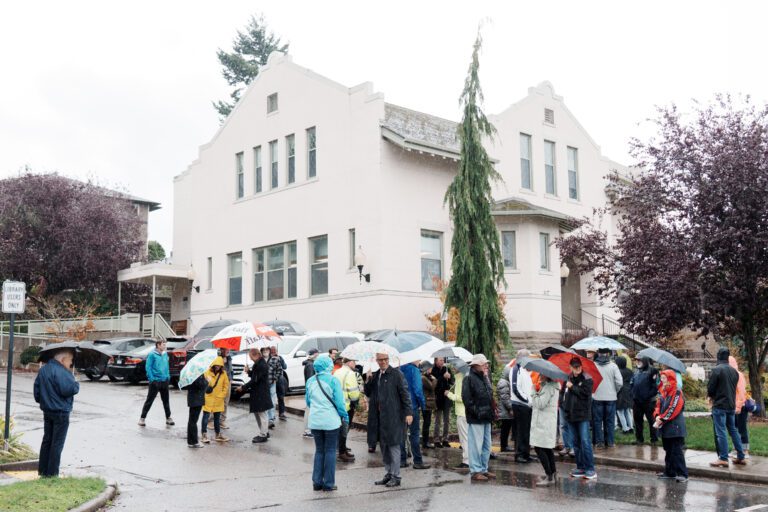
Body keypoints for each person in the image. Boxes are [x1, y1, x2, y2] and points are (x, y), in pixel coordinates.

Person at [364, 350, 413, 488]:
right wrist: (368, 380)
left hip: (394, 416)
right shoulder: (375, 375)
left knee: (394, 445)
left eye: (385, 359)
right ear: (377, 361)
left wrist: (408, 413)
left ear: (388, 359)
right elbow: (368, 393)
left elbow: (405, 394)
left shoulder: (397, 374)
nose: (383, 362)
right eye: (380, 359)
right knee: (384, 446)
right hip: (379, 417)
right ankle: (389, 473)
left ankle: (396, 476)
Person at [34, 348, 80, 477]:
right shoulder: (62, 372)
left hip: (47, 410)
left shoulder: (43, 369)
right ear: (63, 359)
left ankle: (43, 471)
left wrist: (45, 402)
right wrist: (76, 383)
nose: (71, 363)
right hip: (61, 412)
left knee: (47, 440)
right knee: (57, 443)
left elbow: (37, 393)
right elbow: (68, 390)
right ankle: (52, 474)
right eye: (70, 360)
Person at [306, 354, 348, 492]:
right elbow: (340, 403)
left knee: (319, 451)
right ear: (329, 366)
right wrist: (345, 416)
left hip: (315, 421)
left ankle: (316, 482)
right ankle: (329, 483)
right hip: (330, 421)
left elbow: (308, 402)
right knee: (330, 451)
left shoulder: (310, 381)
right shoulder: (333, 380)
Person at [707, 347, 745, 467]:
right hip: (730, 405)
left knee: (721, 431)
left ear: (718, 356)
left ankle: (723, 458)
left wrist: (712, 397)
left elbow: (710, 389)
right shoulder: (734, 371)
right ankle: (741, 456)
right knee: (733, 430)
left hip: (719, 405)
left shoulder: (717, 369)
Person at [463, 354, 495, 482]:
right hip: (476, 417)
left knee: (487, 445)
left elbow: (489, 395)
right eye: (483, 363)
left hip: (487, 416)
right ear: (476, 365)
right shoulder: (469, 378)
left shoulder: (484, 377)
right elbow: (467, 399)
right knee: (476, 445)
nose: (486, 365)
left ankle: (483, 469)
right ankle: (476, 470)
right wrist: (477, 412)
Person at [563, 357, 596, 480]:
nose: (578, 369)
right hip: (570, 415)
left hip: (582, 415)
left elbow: (585, 394)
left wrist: (572, 387)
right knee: (575, 443)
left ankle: (590, 468)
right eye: (575, 366)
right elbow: (564, 394)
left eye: (579, 366)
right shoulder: (568, 378)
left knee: (585, 441)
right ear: (570, 367)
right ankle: (580, 466)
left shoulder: (587, 378)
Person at [654, 370, 688, 482]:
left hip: (675, 426)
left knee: (676, 450)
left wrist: (662, 418)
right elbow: (658, 405)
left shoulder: (677, 392)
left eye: (664, 378)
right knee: (668, 450)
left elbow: (674, 408)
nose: (662, 380)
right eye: (662, 378)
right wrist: (657, 415)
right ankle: (670, 472)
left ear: (670, 379)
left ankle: (682, 473)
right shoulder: (663, 391)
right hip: (666, 426)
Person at [399, 361, 431, 470]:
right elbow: (418, 390)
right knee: (414, 434)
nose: (419, 361)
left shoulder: (398, 368)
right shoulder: (414, 370)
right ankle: (417, 461)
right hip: (412, 407)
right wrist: (423, 405)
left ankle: (402, 460)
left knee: (402, 434)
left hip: (400, 407)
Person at [238, 348, 273, 443]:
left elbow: (255, 380)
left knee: (262, 413)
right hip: (257, 392)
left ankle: (263, 435)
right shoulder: (258, 364)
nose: (250, 359)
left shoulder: (261, 365)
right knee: (257, 412)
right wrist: (249, 372)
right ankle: (264, 431)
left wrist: (243, 387)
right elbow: (255, 376)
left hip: (261, 392)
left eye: (250, 357)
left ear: (256, 355)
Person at [530, 375, 560, 486]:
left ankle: (549, 475)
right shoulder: (551, 387)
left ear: (546, 376)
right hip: (546, 421)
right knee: (547, 448)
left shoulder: (548, 388)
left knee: (539, 447)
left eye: (541, 375)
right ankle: (553, 473)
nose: (539, 376)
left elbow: (540, 404)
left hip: (543, 422)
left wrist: (533, 391)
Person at [592, 348, 623, 449]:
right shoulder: (613, 366)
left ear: (598, 353)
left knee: (597, 421)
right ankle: (610, 442)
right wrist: (615, 391)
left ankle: (599, 442)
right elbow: (619, 382)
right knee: (609, 421)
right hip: (611, 397)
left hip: (597, 396)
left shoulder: (593, 365)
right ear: (608, 354)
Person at [139, 340, 174, 427]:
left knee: (166, 400)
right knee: (149, 400)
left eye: (165, 345)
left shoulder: (165, 354)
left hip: (164, 380)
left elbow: (166, 366)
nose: (164, 346)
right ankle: (142, 418)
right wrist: (152, 379)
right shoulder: (152, 354)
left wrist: (168, 376)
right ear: (158, 345)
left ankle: (168, 418)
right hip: (155, 381)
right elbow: (148, 367)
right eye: (163, 345)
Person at [334, 356, 361, 462]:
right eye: (354, 361)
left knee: (340, 429)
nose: (355, 364)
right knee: (344, 430)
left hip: (338, 405)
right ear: (349, 362)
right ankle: (342, 452)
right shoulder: (350, 374)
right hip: (347, 406)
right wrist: (356, 402)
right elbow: (353, 392)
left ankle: (342, 449)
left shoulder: (337, 372)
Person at [509, 349, 534, 463]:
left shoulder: (523, 370)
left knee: (526, 430)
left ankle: (525, 453)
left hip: (525, 405)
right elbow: (515, 388)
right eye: (528, 357)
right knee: (521, 430)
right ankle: (519, 454)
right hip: (520, 405)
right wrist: (527, 400)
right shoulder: (516, 369)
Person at [445, 364, 470, 470]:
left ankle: (466, 461)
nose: (453, 368)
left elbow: (461, 397)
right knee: (468, 437)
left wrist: (449, 395)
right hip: (466, 412)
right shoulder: (464, 377)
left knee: (464, 439)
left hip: (462, 412)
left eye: (454, 367)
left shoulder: (461, 378)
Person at [200, 357, 230, 443]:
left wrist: (222, 395)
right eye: (216, 364)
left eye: (219, 365)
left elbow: (226, 386)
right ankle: (204, 434)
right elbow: (204, 386)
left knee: (217, 417)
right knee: (206, 416)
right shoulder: (207, 373)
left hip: (218, 399)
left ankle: (218, 434)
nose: (217, 366)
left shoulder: (223, 374)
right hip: (208, 397)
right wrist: (208, 381)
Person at [631, 356, 659, 445]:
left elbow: (655, 387)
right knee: (638, 420)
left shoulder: (653, 371)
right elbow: (632, 384)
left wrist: (647, 396)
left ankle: (654, 439)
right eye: (637, 360)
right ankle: (639, 439)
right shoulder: (636, 371)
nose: (638, 362)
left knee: (651, 420)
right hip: (637, 401)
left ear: (645, 361)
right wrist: (632, 394)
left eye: (639, 360)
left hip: (648, 401)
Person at [729, 356, 750, 459]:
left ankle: (745, 450)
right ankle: (736, 449)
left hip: (741, 406)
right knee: (735, 429)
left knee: (741, 428)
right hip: (734, 406)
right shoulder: (731, 375)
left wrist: (738, 406)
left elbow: (741, 392)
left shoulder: (739, 375)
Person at [431, 357, 454, 448]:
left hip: (446, 397)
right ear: (436, 361)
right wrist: (442, 377)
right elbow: (433, 383)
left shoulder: (446, 369)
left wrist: (450, 377)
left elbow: (452, 381)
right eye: (440, 360)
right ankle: (436, 439)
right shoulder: (433, 370)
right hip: (437, 398)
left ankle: (445, 439)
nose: (442, 362)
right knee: (438, 420)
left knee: (447, 420)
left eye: (443, 360)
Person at [185, 374, 208, 448]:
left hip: (194, 399)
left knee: (191, 421)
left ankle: (190, 441)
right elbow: (200, 385)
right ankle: (194, 442)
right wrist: (207, 381)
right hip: (196, 400)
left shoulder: (193, 373)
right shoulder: (196, 374)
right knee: (193, 421)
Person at [497, 365, 515, 453]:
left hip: (505, 410)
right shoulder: (504, 383)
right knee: (505, 429)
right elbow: (505, 397)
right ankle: (504, 446)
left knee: (506, 428)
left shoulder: (504, 382)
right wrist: (510, 408)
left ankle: (505, 445)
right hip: (505, 411)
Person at [302, 348, 320, 438]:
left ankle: (308, 430)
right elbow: (310, 379)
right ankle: (307, 431)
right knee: (309, 411)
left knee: (309, 411)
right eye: (317, 354)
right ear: (314, 355)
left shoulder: (309, 364)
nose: (319, 356)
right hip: (311, 391)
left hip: (310, 390)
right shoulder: (310, 365)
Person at [264, 346, 282, 427]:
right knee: (266, 401)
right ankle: (267, 419)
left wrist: (276, 378)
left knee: (272, 401)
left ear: (269, 351)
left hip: (272, 383)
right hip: (263, 384)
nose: (265, 351)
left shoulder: (275, 359)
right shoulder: (260, 360)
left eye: (267, 349)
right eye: (263, 350)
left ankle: (271, 419)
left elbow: (280, 370)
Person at [616, 356, 634, 434]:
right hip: (628, 391)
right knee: (627, 410)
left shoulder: (618, 371)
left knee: (620, 411)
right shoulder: (630, 371)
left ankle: (625, 429)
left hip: (620, 392)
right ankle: (631, 427)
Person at [421, 362, 437, 450]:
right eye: (430, 368)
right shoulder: (423, 378)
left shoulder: (427, 377)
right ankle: (425, 442)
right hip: (426, 403)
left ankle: (426, 441)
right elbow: (432, 387)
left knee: (427, 423)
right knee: (426, 423)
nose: (431, 370)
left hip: (428, 403)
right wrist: (434, 379)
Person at [217, 347, 233, 429]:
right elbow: (215, 371)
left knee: (226, 402)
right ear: (221, 350)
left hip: (228, 382)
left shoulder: (229, 358)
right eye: (225, 349)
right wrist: (222, 364)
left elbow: (231, 370)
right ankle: (212, 420)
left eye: (228, 349)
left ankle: (222, 421)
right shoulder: (218, 358)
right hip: (220, 383)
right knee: (218, 401)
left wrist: (231, 378)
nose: (228, 351)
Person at [273, 347, 288, 421]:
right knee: (271, 398)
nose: (274, 352)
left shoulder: (280, 358)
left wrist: (280, 359)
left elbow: (285, 367)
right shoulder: (269, 359)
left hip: (280, 380)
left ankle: (281, 413)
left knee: (281, 397)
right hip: (272, 380)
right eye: (272, 351)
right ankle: (271, 416)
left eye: (275, 351)